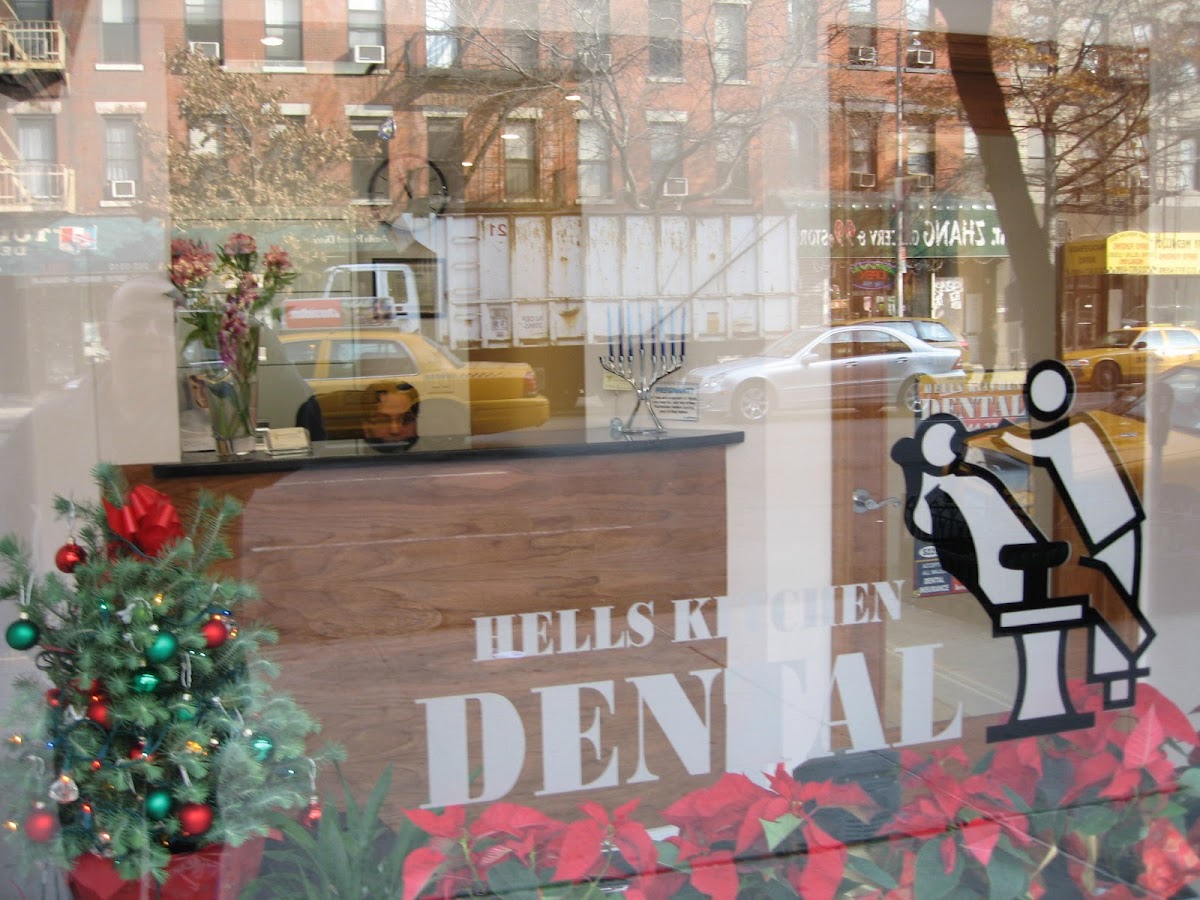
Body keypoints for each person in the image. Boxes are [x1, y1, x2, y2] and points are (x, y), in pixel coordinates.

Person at [363, 381, 420, 451]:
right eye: (383, 421)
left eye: (405, 420)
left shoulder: (431, 452)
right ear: (365, 426)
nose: (395, 431)